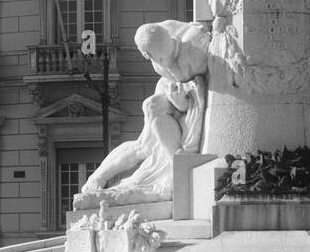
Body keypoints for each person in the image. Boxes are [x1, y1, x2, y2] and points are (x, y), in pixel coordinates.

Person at [74, 20, 210, 207]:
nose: (163, 61)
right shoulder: (156, 41)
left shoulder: (194, 51)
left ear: (171, 39)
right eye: (158, 58)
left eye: (166, 55)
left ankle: (176, 165)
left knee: (152, 108)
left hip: (191, 90)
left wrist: (181, 102)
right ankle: (97, 178)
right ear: (147, 55)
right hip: (170, 86)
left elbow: (200, 93)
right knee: (144, 141)